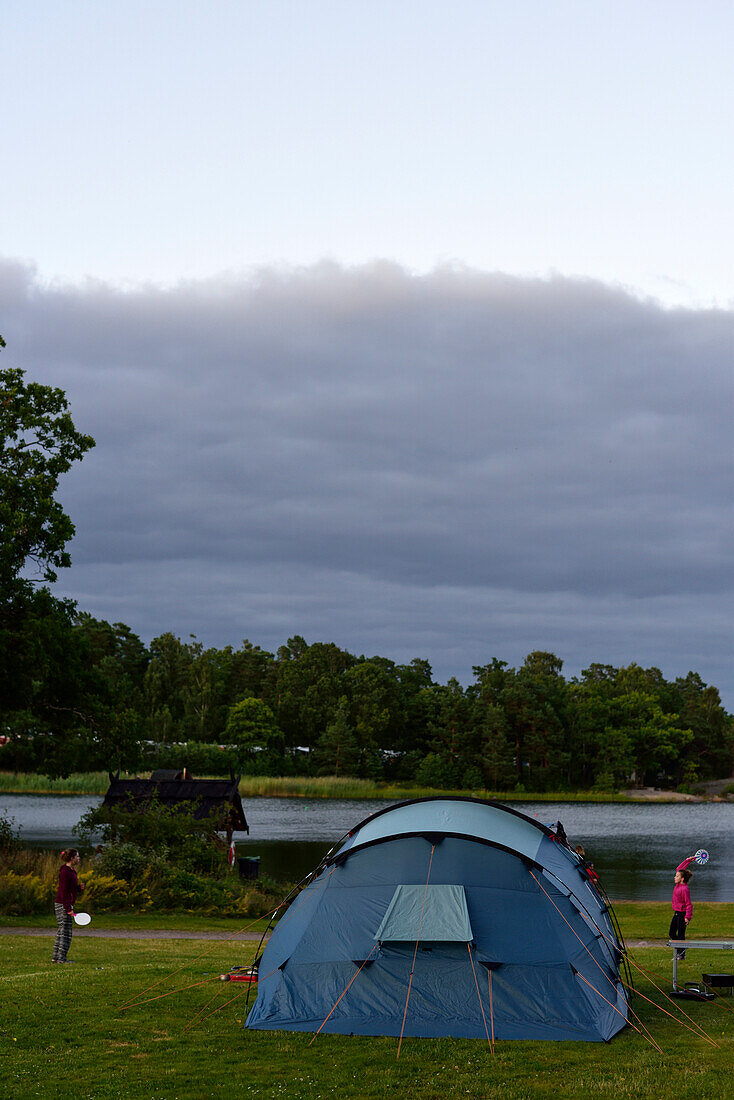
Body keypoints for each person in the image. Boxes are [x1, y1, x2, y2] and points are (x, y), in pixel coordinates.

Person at [53, 848, 85, 963]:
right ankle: (61, 958)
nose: (78, 858)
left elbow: (70, 889)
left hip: (65, 903)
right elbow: (63, 891)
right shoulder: (65, 872)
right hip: (63, 904)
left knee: (62, 930)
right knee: (66, 932)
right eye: (77, 856)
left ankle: (56, 957)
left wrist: (78, 889)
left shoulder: (71, 870)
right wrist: (68, 908)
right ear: (72, 858)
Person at [670, 856, 695, 960]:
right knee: (671, 933)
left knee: (681, 935)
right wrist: (688, 860)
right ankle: (682, 948)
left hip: (682, 915)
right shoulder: (678, 885)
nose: (674, 877)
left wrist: (687, 917)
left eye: (676, 876)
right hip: (676, 913)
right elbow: (679, 868)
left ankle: (681, 954)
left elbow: (689, 904)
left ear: (682, 879)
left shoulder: (684, 889)